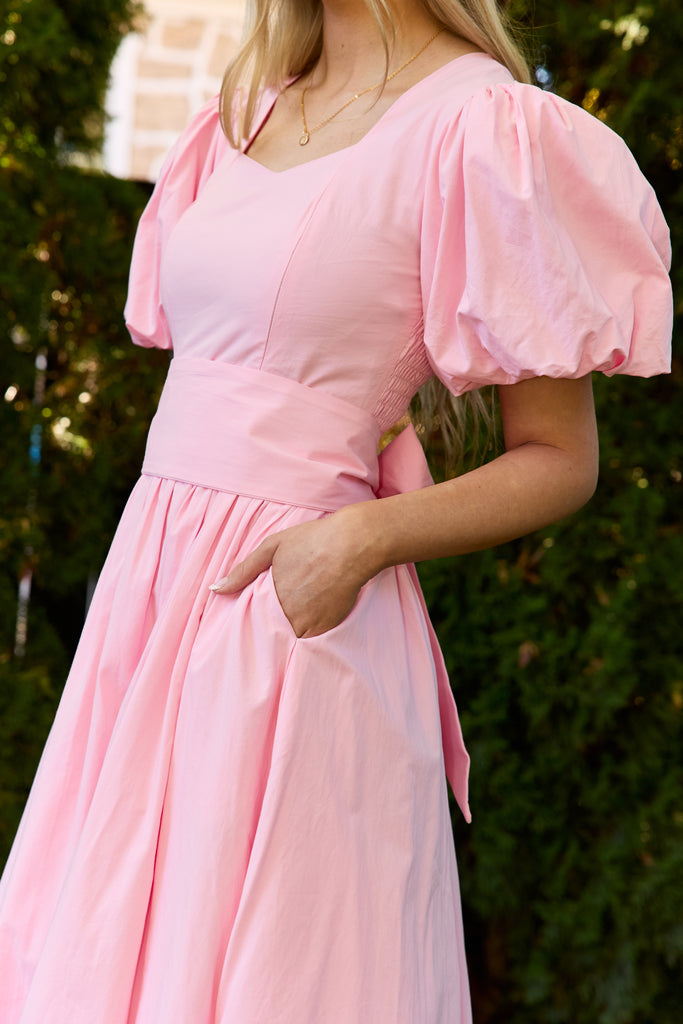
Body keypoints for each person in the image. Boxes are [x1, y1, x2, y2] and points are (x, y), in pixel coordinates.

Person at [0, 0, 672, 1020]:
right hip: (149, 610)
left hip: (296, 629)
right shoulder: (250, 102)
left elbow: (559, 459)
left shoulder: (478, 125)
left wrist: (360, 537)